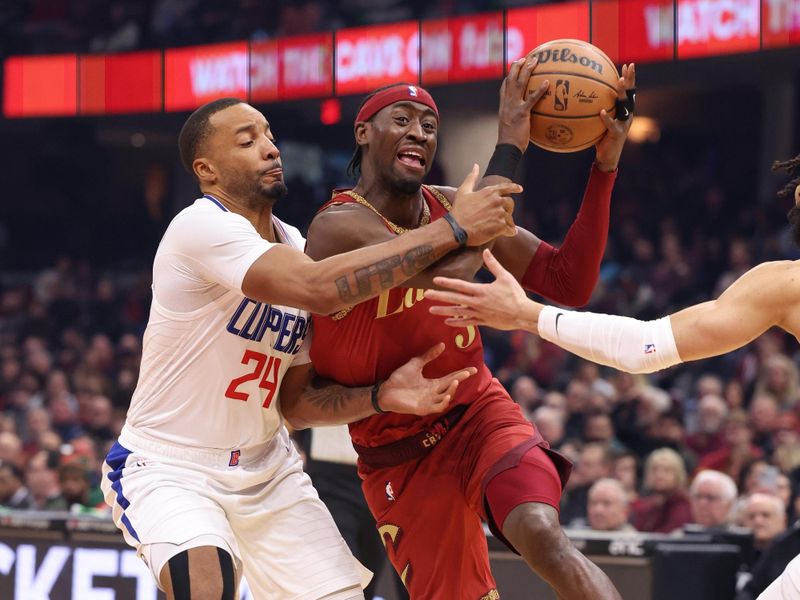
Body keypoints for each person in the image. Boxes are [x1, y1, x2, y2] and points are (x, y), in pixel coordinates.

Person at [101, 97, 520, 600]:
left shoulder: (297, 246)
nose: (270, 149)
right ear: (206, 170)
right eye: (248, 140)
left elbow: (296, 404)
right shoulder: (201, 228)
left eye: (269, 135)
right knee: (206, 583)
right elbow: (322, 288)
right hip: (171, 467)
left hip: (267, 468)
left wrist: (383, 395)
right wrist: (453, 227)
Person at [298, 53, 636, 599]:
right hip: (399, 454)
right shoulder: (338, 226)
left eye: (430, 125)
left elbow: (568, 280)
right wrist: (510, 144)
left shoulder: (454, 205)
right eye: (402, 119)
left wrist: (604, 168)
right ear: (363, 132)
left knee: (543, 534)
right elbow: (445, 272)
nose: (419, 133)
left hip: (478, 412)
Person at [425, 152, 800, 598]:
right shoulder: (785, 285)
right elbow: (648, 346)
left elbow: (644, 349)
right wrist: (530, 315)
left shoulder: (786, 285)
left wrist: (530, 315)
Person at [630, 447, 692, 533]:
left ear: (678, 475)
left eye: (667, 470)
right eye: (654, 470)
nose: (659, 476)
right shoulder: (644, 507)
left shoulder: (684, 506)